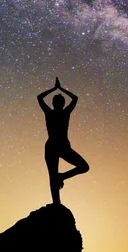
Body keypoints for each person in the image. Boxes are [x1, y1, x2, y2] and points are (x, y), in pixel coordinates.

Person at [37, 77, 89, 205]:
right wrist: (58, 89)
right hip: (55, 147)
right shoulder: (53, 112)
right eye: (58, 100)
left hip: (61, 147)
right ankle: (56, 203)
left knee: (83, 167)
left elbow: (40, 98)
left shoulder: (61, 113)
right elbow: (74, 98)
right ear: (57, 103)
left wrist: (56, 89)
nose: (59, 102)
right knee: (53, 174)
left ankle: (61, 177)